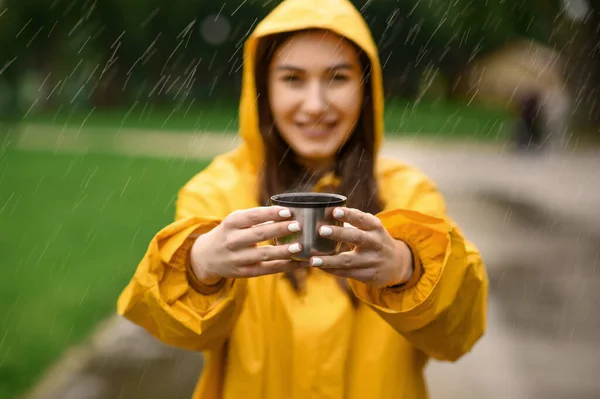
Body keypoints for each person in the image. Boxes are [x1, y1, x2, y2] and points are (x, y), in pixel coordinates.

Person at [116, 0, 489, 397]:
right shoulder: (218, 192)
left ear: (366, 87)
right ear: (264, 89)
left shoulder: (408, 193)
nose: (315, 105)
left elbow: (458, 335)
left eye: (338, 78)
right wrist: (197, 266)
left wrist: (407, 267)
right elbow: (179, 332)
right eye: (293, 79)